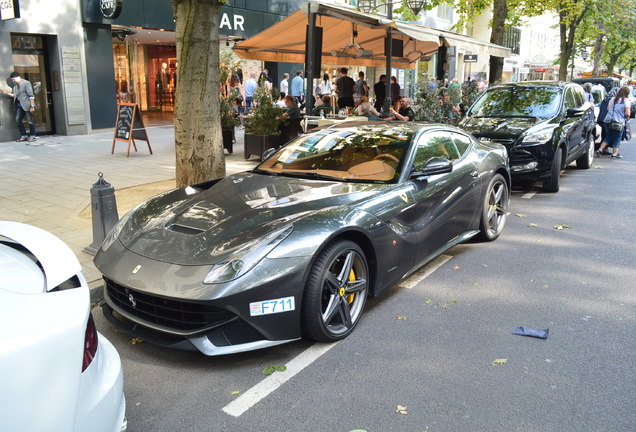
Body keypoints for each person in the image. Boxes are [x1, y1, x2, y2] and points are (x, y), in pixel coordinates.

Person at [1, 72, 37, 142]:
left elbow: (31, 95)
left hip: (27, 105)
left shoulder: (26, 83)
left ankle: (32, 136)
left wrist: (32, 106)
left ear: (18, 77)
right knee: (18, 120)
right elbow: (15, 95)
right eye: (12, 80)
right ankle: (24, 136)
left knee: (30, 121)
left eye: (14, 79)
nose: (13, 81)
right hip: (19, 105)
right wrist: (5, 92)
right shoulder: (15, 86)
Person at [597, 86, 630, 159]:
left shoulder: (613, 99)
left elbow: (608, 108)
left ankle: (600, 149)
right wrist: (626, 117)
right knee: (617, 137)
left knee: (609, 136)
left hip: (608, 120)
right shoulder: (626, 101)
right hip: (618, 121)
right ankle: (614, 153)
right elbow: (627, 113)